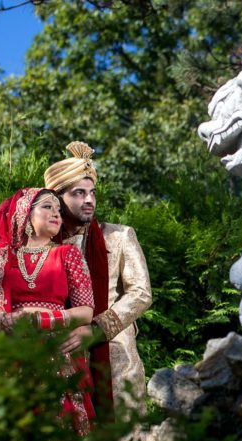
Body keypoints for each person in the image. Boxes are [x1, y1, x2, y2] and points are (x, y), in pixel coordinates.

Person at [0, 187, 96, 435]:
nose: (56, 214)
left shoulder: (67, 254)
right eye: (47, 207)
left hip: (57, 352)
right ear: (25, 214)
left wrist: (45, 319)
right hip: (11, 352)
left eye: (58, 210)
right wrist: (0, 318)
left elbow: (86, 311)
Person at [44, 141, 152, 421]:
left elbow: (141, 293)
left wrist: (95, 329)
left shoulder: (118, 236)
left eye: (92, 192)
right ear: (57, 199)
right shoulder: (44, 248)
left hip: (116, 360)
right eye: (79, 193)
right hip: (61, 360)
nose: (89, 200)